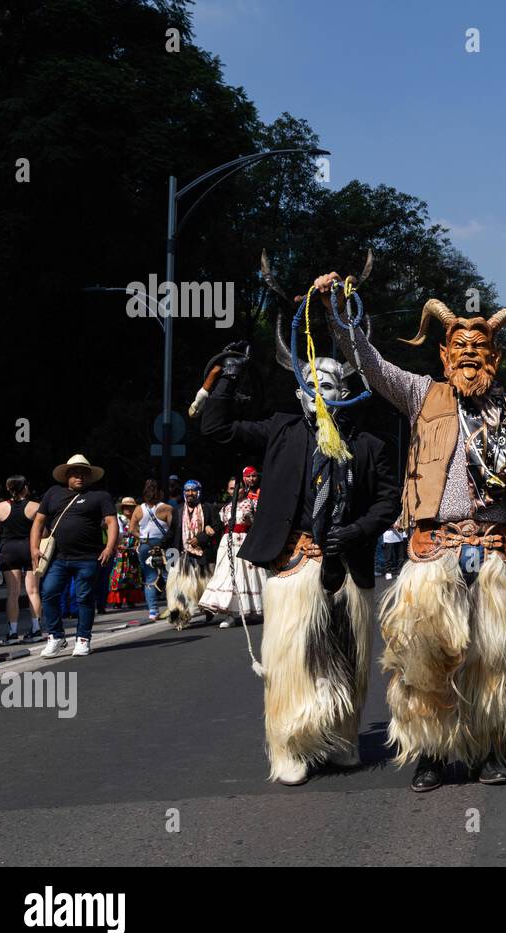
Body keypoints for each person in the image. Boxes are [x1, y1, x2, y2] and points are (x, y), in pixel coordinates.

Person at [324, 275, 506, 793]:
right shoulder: (421, 395)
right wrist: (340, 312)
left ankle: (489, 749)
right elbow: (371, 365)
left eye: (480, 348)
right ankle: (432, 752)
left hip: (496, 553)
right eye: (460, 347)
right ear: (443, 352)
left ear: (496, 357)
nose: (470, 355)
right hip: (435, 552)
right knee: (425, 660)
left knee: (492, 662)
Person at [199, 264, 397, 786]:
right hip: (292, 565)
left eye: (331, 382)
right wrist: (227, 379)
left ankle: (341, 738)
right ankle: (290, 745)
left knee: (347, 660)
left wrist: (354, 533)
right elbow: (216, 430)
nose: (321, 390)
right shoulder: (281, 431)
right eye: (312, 382)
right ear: (300, 390)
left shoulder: (370, 445)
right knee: (289, 663)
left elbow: (388, 503)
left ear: (346, 388)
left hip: (348, 567)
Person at [32, 454, 117, 658]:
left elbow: (112, 522)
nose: (80, 477)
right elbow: (38, 521)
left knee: (84, 597)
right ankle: (56, 636)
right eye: (75, 473)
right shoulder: (53, 493)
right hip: (58, 557)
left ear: (89, 476)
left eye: (84, 474)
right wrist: (34, 548)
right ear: (67, 476)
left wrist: (109, 547)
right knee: (48, 593)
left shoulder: (100, 495)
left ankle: (83, 639)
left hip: (88, 557)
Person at [198, 476, 266, 627]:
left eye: (238, 487)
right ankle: (230, 614)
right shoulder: (225, 508)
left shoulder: (251, 504)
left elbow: (258, 524)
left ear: (245, 488)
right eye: (231, 488)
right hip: (227, 543)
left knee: (247, 576)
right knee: (227, 576)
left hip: (245, 542)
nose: (235, 491)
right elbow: (218, 526)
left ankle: (252, 610)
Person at [0, 476, 42, 642]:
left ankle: (12, 633)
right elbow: (45, 532)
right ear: (25, 488)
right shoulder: (35, 507)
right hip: (29, 549)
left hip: (8, 551)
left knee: (12, 593)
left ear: (8, 488)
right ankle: (36, 629)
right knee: (33, 591)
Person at [163, 479, 219, 629]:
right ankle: (180, 617)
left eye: (193, 490)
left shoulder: (208, 509)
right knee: (179, 589)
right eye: (187, 490)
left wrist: (201, 538)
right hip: (183, 557)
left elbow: (217, 529)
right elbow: (172, 533)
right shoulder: (178, 511)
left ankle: (208, 609)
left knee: (204, 589)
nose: (190, 493)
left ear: (199, 492)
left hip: (203, 558)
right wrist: (158, 545)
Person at [129, 480, 172, 622]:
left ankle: (153, 611)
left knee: (149, 578)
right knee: (169, 576)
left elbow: (131, 529)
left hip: (145, 545)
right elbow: (172, 529)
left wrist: (141, 537)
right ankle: (173, 606)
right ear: (159, 492)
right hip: (163, 544)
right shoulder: (166, 508)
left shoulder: (138, 509)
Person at [105, 497, 144, 610]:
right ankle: (118, 601)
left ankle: (131, 600)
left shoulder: (138, 521)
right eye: (126, 507)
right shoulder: (118, 519)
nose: (128, 509)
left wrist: (136, 546)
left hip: (133, 552)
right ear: (122, 508)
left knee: (132, 575)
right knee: (117, 577)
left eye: (131, 507)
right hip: (120, 553)